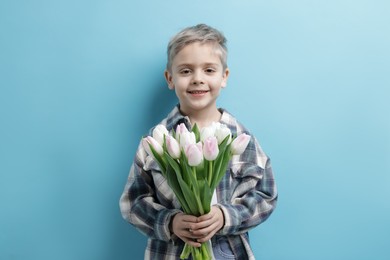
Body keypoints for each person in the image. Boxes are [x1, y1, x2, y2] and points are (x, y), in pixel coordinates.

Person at [119, 24, 277, 259]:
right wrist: (170, 222)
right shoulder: (156, 140)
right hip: (170, 252)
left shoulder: (240, 138)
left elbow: (265, 195)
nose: (197, 79)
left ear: (224, 77)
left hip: (225, 251)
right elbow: (133, 202)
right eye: (185, 71)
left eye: (209, 70)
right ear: (170, 78)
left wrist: (226, 216)